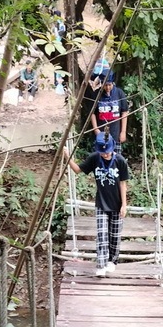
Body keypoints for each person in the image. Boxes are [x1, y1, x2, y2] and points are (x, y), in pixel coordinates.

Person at [67, 132, 130, 277]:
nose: (106, 155)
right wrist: (67, 156)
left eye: (108, 152)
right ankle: (101, 265)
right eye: (103, 152)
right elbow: (77, 170)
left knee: (115, 235)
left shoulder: (120, 161)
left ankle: (112, 261)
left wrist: (124, 205)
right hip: (101, 203)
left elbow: (123, 184)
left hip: (117, 204)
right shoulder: (95, 158)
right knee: (102, 234)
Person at [89, 72, 128, 154]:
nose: (107, 87)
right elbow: (92, 113)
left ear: (112, 83)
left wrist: (123, 132)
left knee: (115, 158)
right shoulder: (96, 94)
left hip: (115, 133)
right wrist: (96, 129)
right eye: (105, 85)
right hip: (101, 134)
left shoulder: (119, 93)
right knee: (100, 158)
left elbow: (124, 112)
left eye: (109, 85)